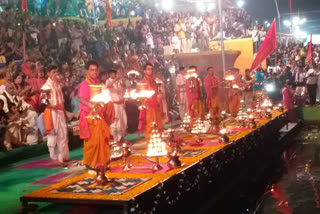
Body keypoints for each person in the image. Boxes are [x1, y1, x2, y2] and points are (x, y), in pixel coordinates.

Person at [78, 61, 112, 168]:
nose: (94, 72)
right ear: (87, 71)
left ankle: (102, 162)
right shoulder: (84, 85)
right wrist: (90, 105)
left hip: (99, 116)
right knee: (92, 142)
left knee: (102, 139)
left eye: (96, 70)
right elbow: (82, 99)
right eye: (92, 70)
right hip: (90, 117)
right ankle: (91, 164)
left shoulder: (98, 84)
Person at [42, 65, 69, 166]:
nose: (56, 74)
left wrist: (64, 113)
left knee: (63, 133)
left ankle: (62, 156)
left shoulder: (57, 85)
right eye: (54, 72)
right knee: (53, 134)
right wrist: (54, 106)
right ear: (48, 73)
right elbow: (43, 101)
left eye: (56, 72)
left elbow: (61, 101)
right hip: (52, 112)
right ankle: (54, 158)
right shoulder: (46, 86)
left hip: (60, 112)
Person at [138, 63, 163, 142]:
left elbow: (156, 93)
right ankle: (150, 141)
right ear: (144, 71)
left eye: (151, 69)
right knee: (149, 125)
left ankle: (157, 139)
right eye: (148, 69)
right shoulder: (142, 82)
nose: (150, 71)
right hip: (148, 106)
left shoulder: (154, 81)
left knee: (158, 124)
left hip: (155, 105)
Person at [104, 69, 127, 142]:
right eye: (111, 74)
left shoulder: (119, 81)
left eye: (114, 73)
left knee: (123, 121)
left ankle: (121, 137)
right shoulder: (108, 81)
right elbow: (108, 86)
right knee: (115, 122)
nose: (113, 75)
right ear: (109, 75)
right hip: (114, 105)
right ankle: (115, 139)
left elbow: (124, 89)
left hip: (121, 104)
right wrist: (115, 80)